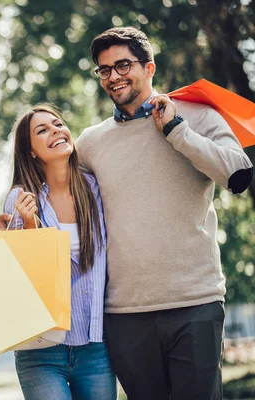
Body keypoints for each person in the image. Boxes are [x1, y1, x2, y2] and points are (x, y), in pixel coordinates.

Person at [75, 27, 254, 399]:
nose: (114, 76)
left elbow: (238, 176)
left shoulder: (196, 114)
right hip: (124, 312)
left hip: (195, 302)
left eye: (123, 65)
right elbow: (62, 204)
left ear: (149, 68)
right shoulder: (90, 143)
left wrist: (177, 130)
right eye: (104, 70)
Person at [0, 104, 116, 400]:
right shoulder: (20, 198)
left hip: (95, 347)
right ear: (32, 152)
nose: (55, 131)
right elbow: (12, 273)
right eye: (42, 130)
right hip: (41, 348)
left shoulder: (95, 189)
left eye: (57, 124)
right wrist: (27, 224)